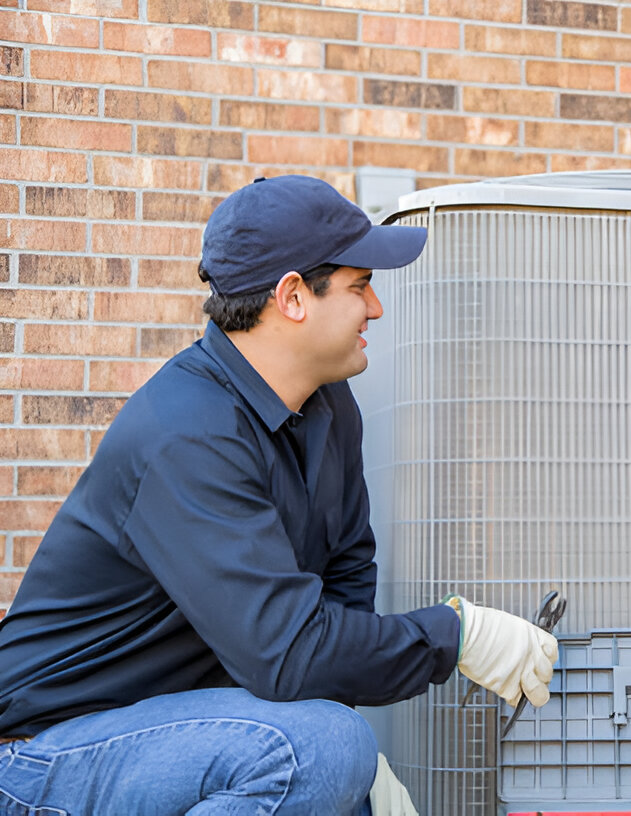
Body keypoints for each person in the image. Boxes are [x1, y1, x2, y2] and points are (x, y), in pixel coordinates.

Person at [0, 175, 558, 814]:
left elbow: (345, 585)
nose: (375, 308)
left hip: (187, 735)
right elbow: (290, 654)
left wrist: (358, 766)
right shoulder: (186, 431)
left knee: (337, 763)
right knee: (315, 752)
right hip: (43, 755)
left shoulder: (329, 406)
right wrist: (455, 636)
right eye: (359, 286)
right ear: (293, 297)